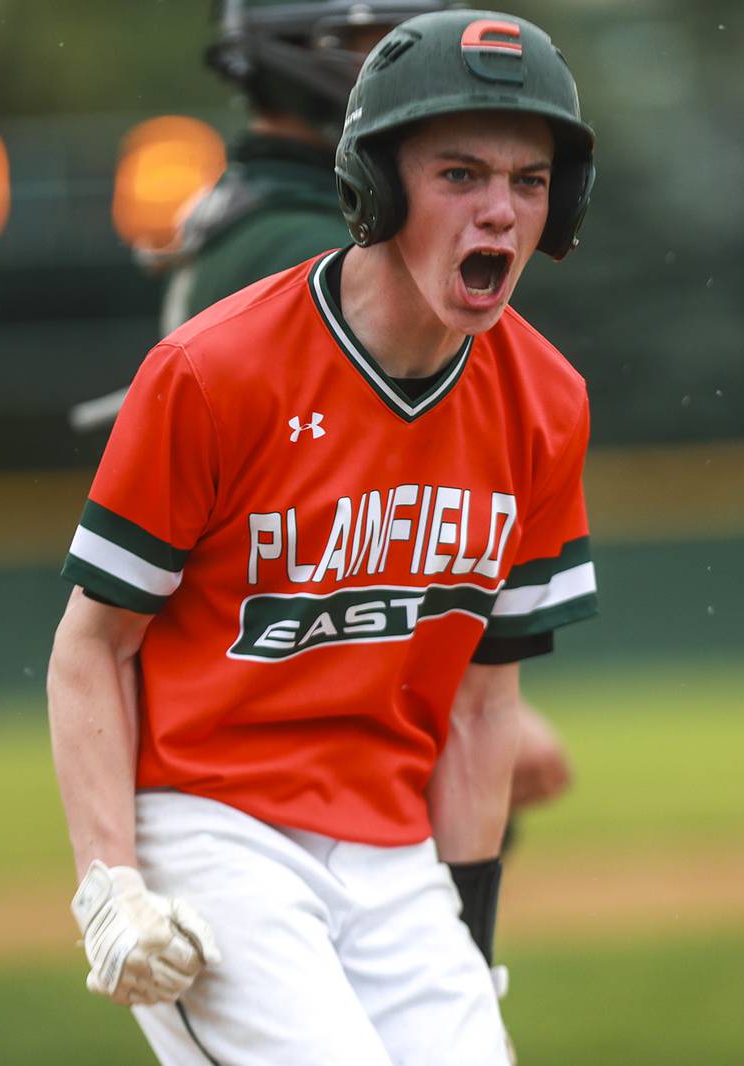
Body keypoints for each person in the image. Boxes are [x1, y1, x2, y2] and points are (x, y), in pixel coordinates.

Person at [48, 9, 597, 1063]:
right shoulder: (221, 367)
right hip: (211, 822)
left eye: (528, 182)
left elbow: (485, 707)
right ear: (376, 186)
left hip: (389, 844)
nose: (498, 211)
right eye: (458, 175)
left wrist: (467, 947)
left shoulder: (545, 401)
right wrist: (109, 880)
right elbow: (92, 644)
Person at [162, 0, 575, 814]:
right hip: (290, 719)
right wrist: (477, 697)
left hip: (262, 696)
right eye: (377, 40)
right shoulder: (317, 248)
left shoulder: (251, 208)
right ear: (301, 51)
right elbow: (357, 497)